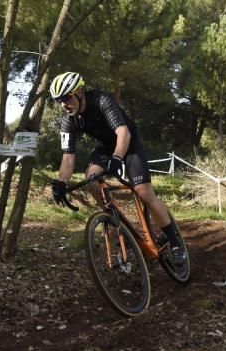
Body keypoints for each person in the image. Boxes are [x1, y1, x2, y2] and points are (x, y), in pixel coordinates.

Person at [48, 71, 186, 265]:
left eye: (66, 97)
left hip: (128, 143)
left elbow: (123, 132)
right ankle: (115, 221)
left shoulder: (102, 100)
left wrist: (117, 158)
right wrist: (62, 182)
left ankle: (174, 241)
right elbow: (68, 157)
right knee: (91, 177)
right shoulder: (68, 121)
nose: (63, 104)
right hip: (105, 147)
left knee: (143, 191)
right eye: (58, 100)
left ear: (79, 91)